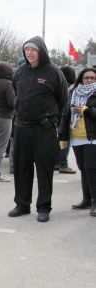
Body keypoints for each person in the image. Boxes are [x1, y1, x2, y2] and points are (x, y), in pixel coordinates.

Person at [8, 36, 68, 222]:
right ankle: (22, 204)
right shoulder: (20, 72)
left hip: (44, 129)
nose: (29, 53)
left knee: (44, 169)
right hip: (22, 128)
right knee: (21, 168)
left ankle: (44, 207)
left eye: (33, 49)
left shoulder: (54, 72)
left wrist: (54, 121)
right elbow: (16, 96)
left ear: (41, 51)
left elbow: (63, 100)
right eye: (27, 50)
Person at [59, 67, 96, 215]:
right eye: (86, 77)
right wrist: (63, 136)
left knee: (91, 169)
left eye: (92, 78)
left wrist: (86, 110)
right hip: (76, 136)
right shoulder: (74, 92)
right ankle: (86, 200)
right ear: (81, 78)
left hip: (92, 137)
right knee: (83, 169)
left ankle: (95, 201)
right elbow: (66, 114)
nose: (89, 80)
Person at [54, 66, 77, 174]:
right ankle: (63, 164)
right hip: (66, 118)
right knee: (65, 141)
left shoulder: (57, 85)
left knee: (58, 141)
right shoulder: (72, 88)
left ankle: (56, 162)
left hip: (56, 117)